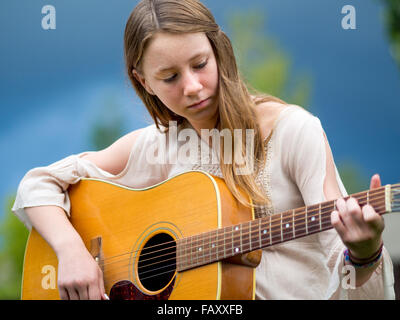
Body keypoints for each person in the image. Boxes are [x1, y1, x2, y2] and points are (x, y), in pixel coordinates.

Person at [12, 0, 394, 300]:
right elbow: (38, 184)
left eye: (200, 64)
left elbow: (344, 273)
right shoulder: (156, 147)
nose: (193, 87)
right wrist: (70, 251)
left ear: (219, 50)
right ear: (143, 82)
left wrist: (365, 252)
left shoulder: (294, 132)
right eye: (170, 77)